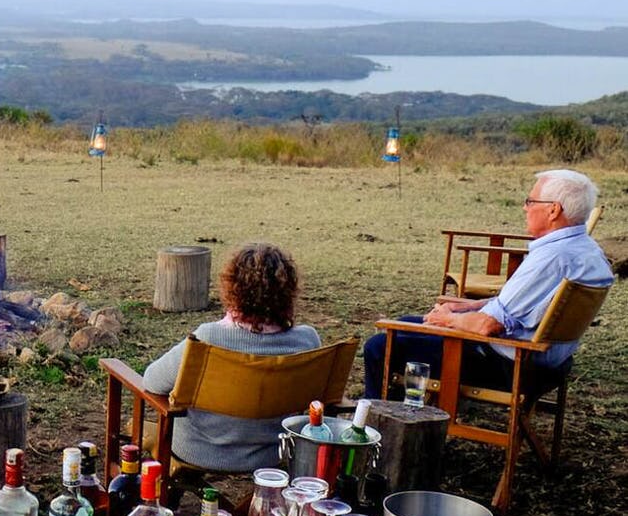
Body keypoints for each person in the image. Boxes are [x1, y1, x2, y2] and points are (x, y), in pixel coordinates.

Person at [363, 168, 612, 399]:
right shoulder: (588, 252)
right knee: (407, 323)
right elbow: (518, 307)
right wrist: (463, 309)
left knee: (380, 347)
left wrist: (447, 320)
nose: (525, 208)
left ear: (553, 210)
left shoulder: (552, 258)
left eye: (530, 201)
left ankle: (381, 432)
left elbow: (488, 326)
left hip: (508, 367)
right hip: (547, 364)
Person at [142, 242, 321, 471]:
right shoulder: (307, 341)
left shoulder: (208, 337)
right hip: (272, 455)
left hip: (198, 451)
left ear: (232, 288)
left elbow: (152, 381)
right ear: (289, 292)